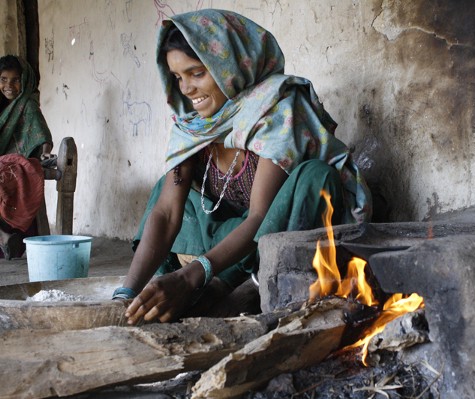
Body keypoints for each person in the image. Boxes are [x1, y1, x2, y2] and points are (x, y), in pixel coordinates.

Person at [114, 9, 371, 324]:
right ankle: (159, 295)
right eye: (178, 77)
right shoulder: (192, 125)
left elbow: (262, 217)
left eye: (197, 73)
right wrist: (126, 294)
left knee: (316, 179)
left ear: (230, 65)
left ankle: (246, 288)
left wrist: (196, 275)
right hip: (228, 237)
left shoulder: (274, 108)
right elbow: (168, 213)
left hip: (270, 236)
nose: (186, 89)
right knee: (163, 191)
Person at [0, 55, 53, 259]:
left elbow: (42, 136)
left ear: (25, 80)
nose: (9, 85)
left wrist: (46, 151)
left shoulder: (27, 105)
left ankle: (6, 236)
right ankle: (4, 237)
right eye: (3, 79)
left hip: (19, 164)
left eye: (15, 79)